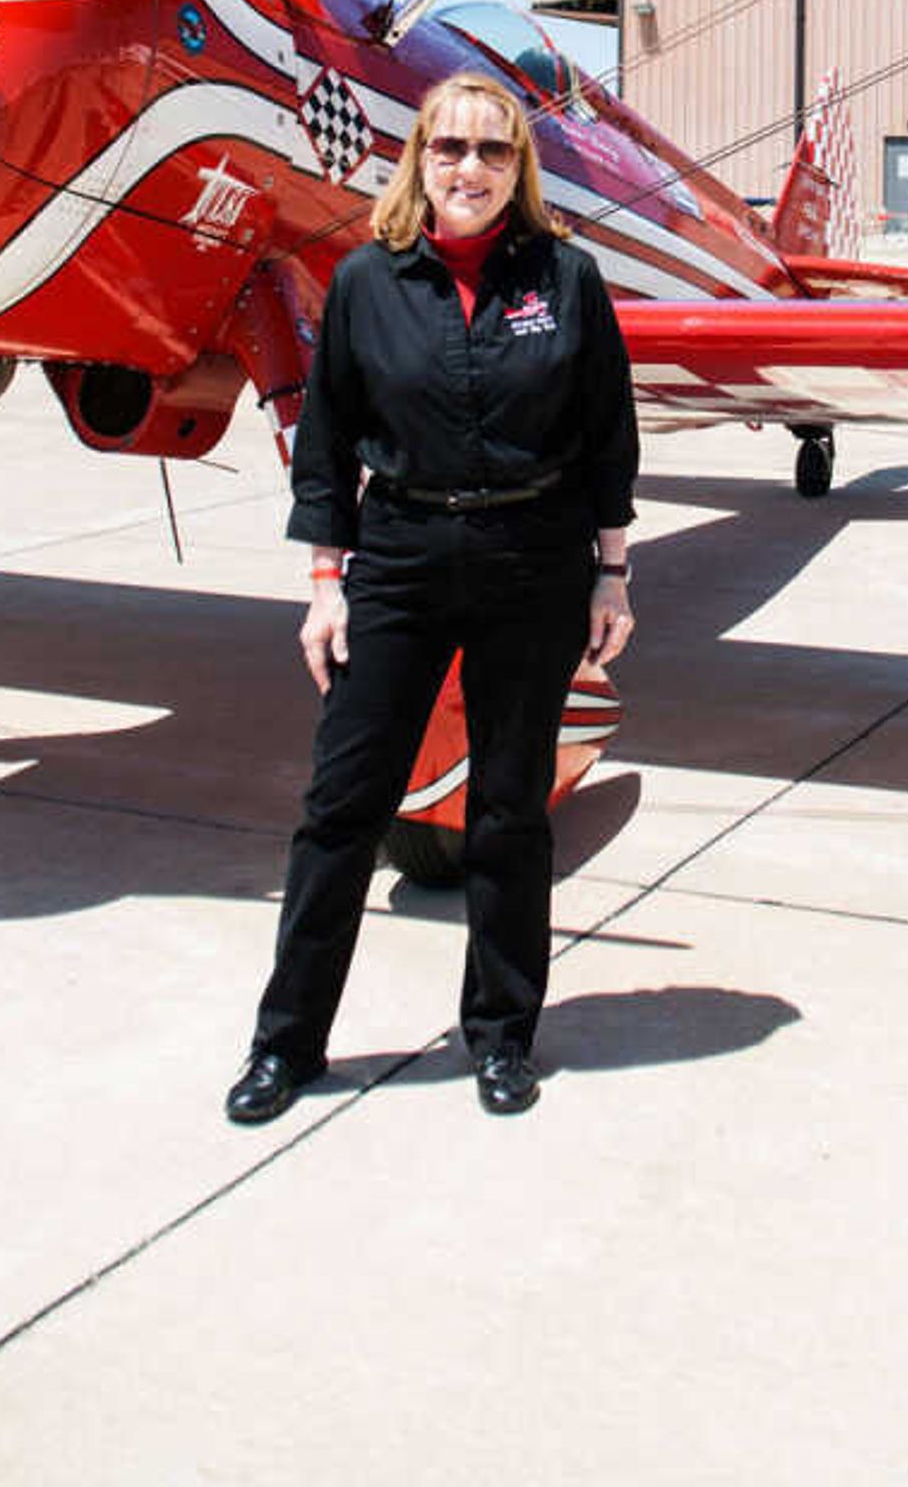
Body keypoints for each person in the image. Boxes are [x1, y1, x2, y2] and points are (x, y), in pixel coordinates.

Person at [228, 72, 640, 1125]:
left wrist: (613, 569)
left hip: (533, 555)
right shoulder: (367, 279)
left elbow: (606, 433)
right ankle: (287, 1044)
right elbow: (325, 440)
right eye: (450, 147)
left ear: (520, 168)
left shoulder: (568, 276)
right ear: (419, 158)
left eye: (493, 151)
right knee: (342, 809)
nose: (470, 168)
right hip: (403, 554)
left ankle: (501, 1036)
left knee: (510, 812)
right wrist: (328, 582)